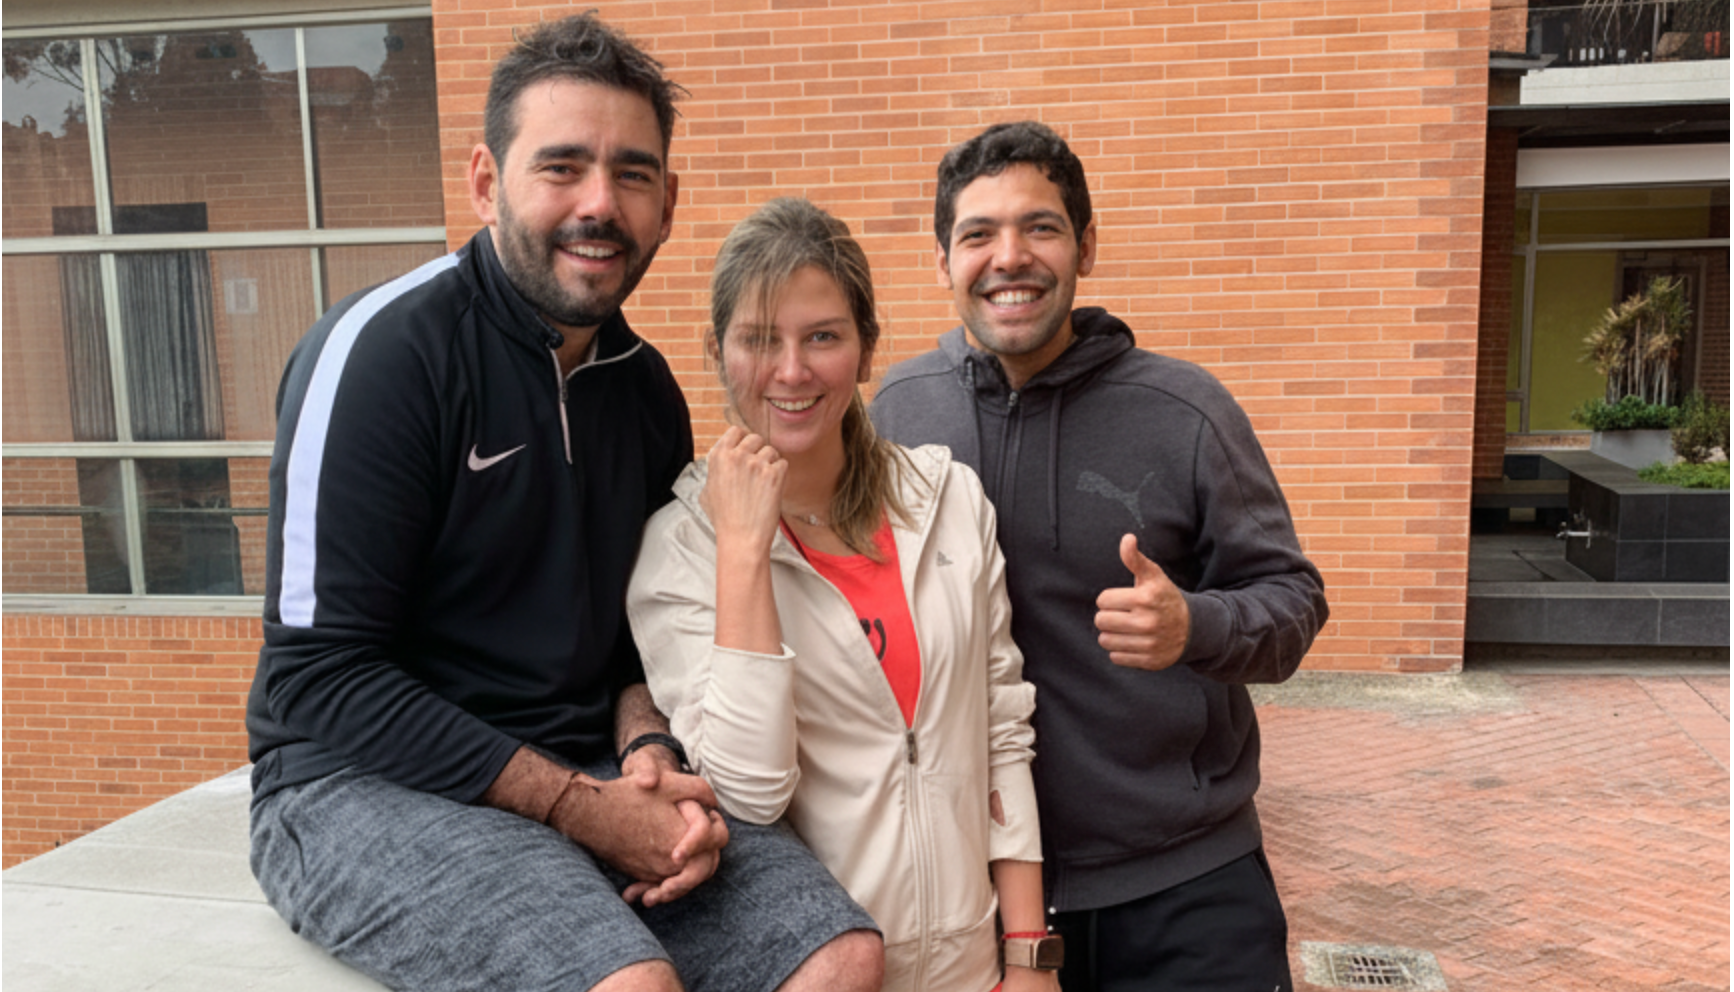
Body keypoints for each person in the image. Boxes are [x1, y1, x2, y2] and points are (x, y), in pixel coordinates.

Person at [245, 16, 882, 992]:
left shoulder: (645, 389)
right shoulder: (382, 356)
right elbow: (317, 677)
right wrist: (582, 807)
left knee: (842, 957)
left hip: (582, 764)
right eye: (562, 167)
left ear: (669, 202)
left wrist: (648, 755)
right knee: (628, 982)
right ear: (483, 179)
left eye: (631, 174)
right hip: (356, 782)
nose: (600, 203)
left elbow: (635, 642)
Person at [870, 121, 1330, 992]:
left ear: (1086, 243)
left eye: (1040, 227)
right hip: (972, 891)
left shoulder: (1184, 411)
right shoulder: (897, 412)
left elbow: (1294, 602)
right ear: (942, 262)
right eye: (977, 234)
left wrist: (1197, 623)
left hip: (1184, 879)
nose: (1010, 257)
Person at [626, 197, 1062, 992]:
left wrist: (1028, 954)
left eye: (822, 336)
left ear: (865, 350)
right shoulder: (681, 548)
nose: (791, 371)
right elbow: (751, 789)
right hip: (826, 968)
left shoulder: (947, 500)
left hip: (972, 966)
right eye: (760, 340)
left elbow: (1002, 727)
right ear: (720, 354)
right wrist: (744, 552)